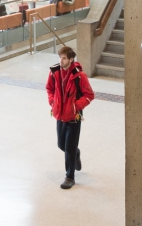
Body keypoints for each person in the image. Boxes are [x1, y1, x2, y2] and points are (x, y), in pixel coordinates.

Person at [46, 45, 95, 190]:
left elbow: (89, 95)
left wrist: (75, 106)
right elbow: (49, 88)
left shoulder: (79, 76)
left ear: (71, 59)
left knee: (69, 147)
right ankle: (76, 153)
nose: (61, 60)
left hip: (74, 117)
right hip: (60, 114)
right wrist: (53, 102)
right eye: (60, 57)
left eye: (64, 58)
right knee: (61, 144)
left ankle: (70, 177)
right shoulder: (54, 72)